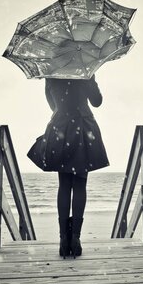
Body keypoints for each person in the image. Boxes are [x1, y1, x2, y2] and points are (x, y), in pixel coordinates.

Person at [28, 75, 109, 258]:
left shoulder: (52, 72)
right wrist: (91, 80)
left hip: (60, 128)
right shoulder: (85, 70)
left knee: (64, 185)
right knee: (80, 184)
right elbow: (97, 101)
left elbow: (53, 104)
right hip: (82, 128)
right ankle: (76, 239)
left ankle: (63, 240)